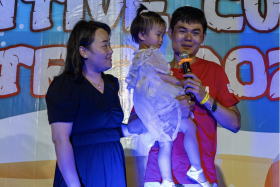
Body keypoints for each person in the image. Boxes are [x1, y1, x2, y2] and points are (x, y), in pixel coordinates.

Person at [135, 6, 241, 187]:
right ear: (170, 33)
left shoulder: (214, 71)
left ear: (203, 38)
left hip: (200, 176)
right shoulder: (155, 71)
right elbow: (134, 125)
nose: (188, 38)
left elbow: (234, 124)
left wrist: (205, 98)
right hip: (159, 176)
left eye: (195, 33)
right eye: (182, 31)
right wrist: (171, 110)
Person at [126, 4, 210, 187]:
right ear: (142, 35)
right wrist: (179, 82)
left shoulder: (139, 58)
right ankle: (195, 168)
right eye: (158, 34)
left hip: (151, 102)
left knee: (166, 143)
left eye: (162, 35)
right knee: (189, 127)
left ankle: (167, 180)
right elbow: (161, 76)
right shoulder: (150, 55)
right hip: (160, 102)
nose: (161, 40)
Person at [45, 20, 135, 187]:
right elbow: (60, 139)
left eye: (110, 45)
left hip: (113, 167)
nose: (111, 51)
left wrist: (134, 128)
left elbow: (108, 131)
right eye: (104, 45)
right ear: (83, 52)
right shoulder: (65, 86)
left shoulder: (111, 83)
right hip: (84, 169)